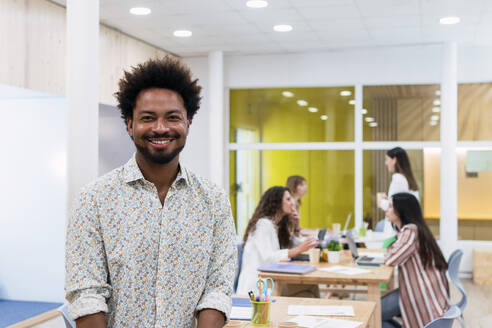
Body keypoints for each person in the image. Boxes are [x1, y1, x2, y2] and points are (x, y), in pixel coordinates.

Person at [65, 57, 236, 328]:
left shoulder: (213, 201)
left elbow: (218, 288)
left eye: (172, 117)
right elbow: (87, 293)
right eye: (147, 118)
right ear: (129, 124)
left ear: (188, 123)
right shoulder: (94, 199)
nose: (160, 128)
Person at [382, 193, 449, 328]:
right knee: (376, 313)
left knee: (372, 313)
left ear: (401, 210)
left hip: (422, 295)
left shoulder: (410, 231)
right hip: (422, 291)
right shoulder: (410, 230)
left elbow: (391, 259)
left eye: (390, 206)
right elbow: (392, 252)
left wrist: (390, 250)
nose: (386, 210)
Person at [236, 186, 318, 296]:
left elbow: (292, 244)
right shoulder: (263, 225)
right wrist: (298, 250)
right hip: (259, 285)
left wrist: (296, 226)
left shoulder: (276, 225)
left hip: (270, 280)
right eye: (288, 199)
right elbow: (268, 258)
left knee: (311, 287)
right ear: (277, 203)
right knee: (309, 289)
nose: (292, 203)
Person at [378, 147, 419, 233]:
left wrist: (381, 202)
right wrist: (388, 198)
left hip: (395, 230)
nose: (386, 163)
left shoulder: (398, 179)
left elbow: (396, 206)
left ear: (394, 160)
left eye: (387, 160)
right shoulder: (407, 178)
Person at [286, 175, 318, 240]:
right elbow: (291, 230)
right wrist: (314, 232)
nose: (306, 187)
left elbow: (297, 227)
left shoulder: (297, 203)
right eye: (302, 185)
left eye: (305, 184)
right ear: (293, 187)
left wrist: (315, 230)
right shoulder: (289, 204)